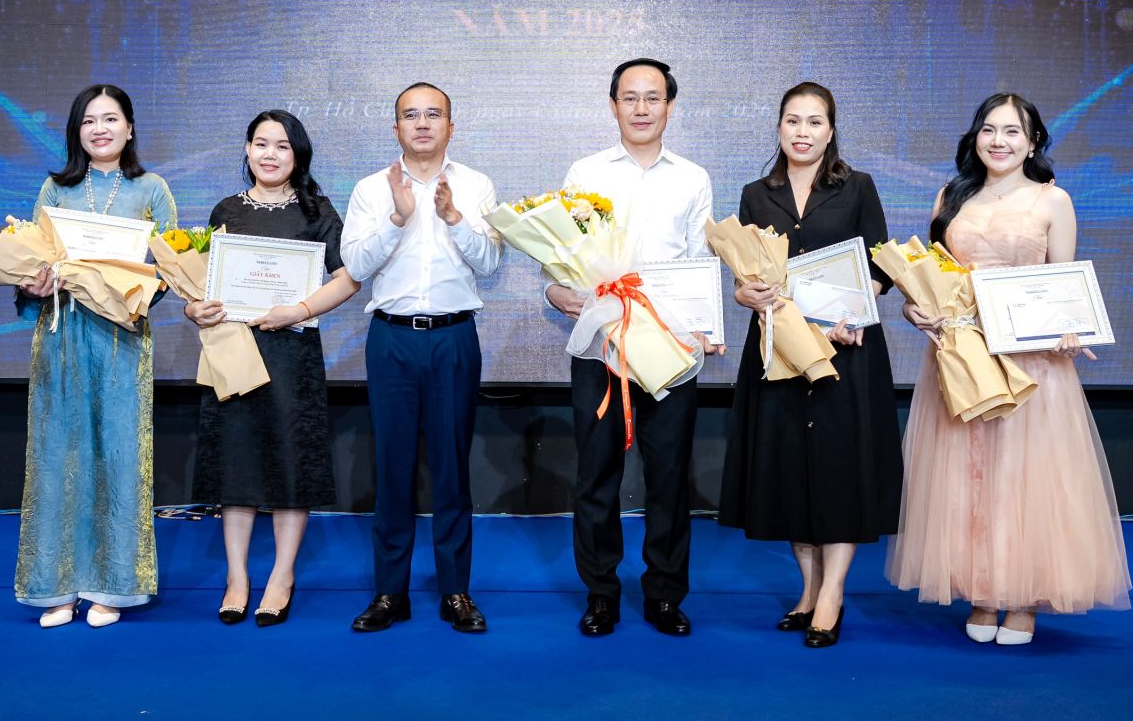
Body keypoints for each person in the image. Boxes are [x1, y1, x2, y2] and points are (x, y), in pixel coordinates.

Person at [886, 93, 1131, 644]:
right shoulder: (950, 196)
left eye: (1013, 131)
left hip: (1032, 364)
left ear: (1033, 141)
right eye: (989, 130)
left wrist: (1070, 329)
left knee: (1026, 476)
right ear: (975, 137)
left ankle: (1022, 600)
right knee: (968, 474)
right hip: (963, 358)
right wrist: (913, 309)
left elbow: (1062, 284)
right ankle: (983, 592)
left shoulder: (1053, 201)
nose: (999, 141)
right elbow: (934, 279)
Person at [716, 82, 904, 648]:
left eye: (814, 121)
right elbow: (745, 278)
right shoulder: (756, 194)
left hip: (846, 349)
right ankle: (809, 588)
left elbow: (881, 266)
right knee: (791, 468)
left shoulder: (857, 187)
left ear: (831, 130)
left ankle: (832, 594)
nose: (803, 132)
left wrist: (853, 311)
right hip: (779, 350)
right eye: (793, 121)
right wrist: (744, 294)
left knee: (839, 470)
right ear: (779, 128)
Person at [546, 58, 721, 637]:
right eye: (629, 97)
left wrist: (705, 326)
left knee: (668, 478)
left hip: (670, 350)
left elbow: (700, 262)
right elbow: (563, 254)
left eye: (653, 98)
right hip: (601, 348)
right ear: (613, 105)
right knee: (597, 476)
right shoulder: (586, 172)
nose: (641, 108)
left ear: (670, 106)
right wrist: (554, 291)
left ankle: (665, 595)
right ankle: (601, 593)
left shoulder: (692, 178)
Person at [184, 111, 360, 627]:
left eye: (282, 146)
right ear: (246, 149)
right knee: (235, 461)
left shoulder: (317, 211)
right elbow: (202, 283)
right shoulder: (226, 210)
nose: (270, 154)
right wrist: (194, 308)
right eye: (261, 144)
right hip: (232, 350)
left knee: (290, 461)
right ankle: (236, 578)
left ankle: (282, 576)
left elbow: (349, 278)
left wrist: (300, 310)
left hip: (291, 353)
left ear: (297, 155)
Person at [340, 82, 504, 633]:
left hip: (454, 338)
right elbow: (354, 265)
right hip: (392, 340)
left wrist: (455, 218)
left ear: (451, 126)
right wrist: (397, 219)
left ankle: (456, 590)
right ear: (396, 128)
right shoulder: (371, 189)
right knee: (393, 469)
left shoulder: (476, 185)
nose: (423, 124)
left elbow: (490, 263)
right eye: (411, 115)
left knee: (452, 469)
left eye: (434, 114)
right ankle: (391, 593)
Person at [13, 84, 176, 628]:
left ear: (130, 127)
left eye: (110, 119)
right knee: (58, 455)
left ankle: (112, 586)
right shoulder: (55, 189)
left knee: (118, 456)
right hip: (62, 335)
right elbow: (32, 263)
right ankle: (57, 586)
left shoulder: (152, 189)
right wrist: (31, 284)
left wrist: (129, 295)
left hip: (121, 338)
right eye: (88, 121)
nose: (99, 129)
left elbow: (169, 271)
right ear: (76, 132)